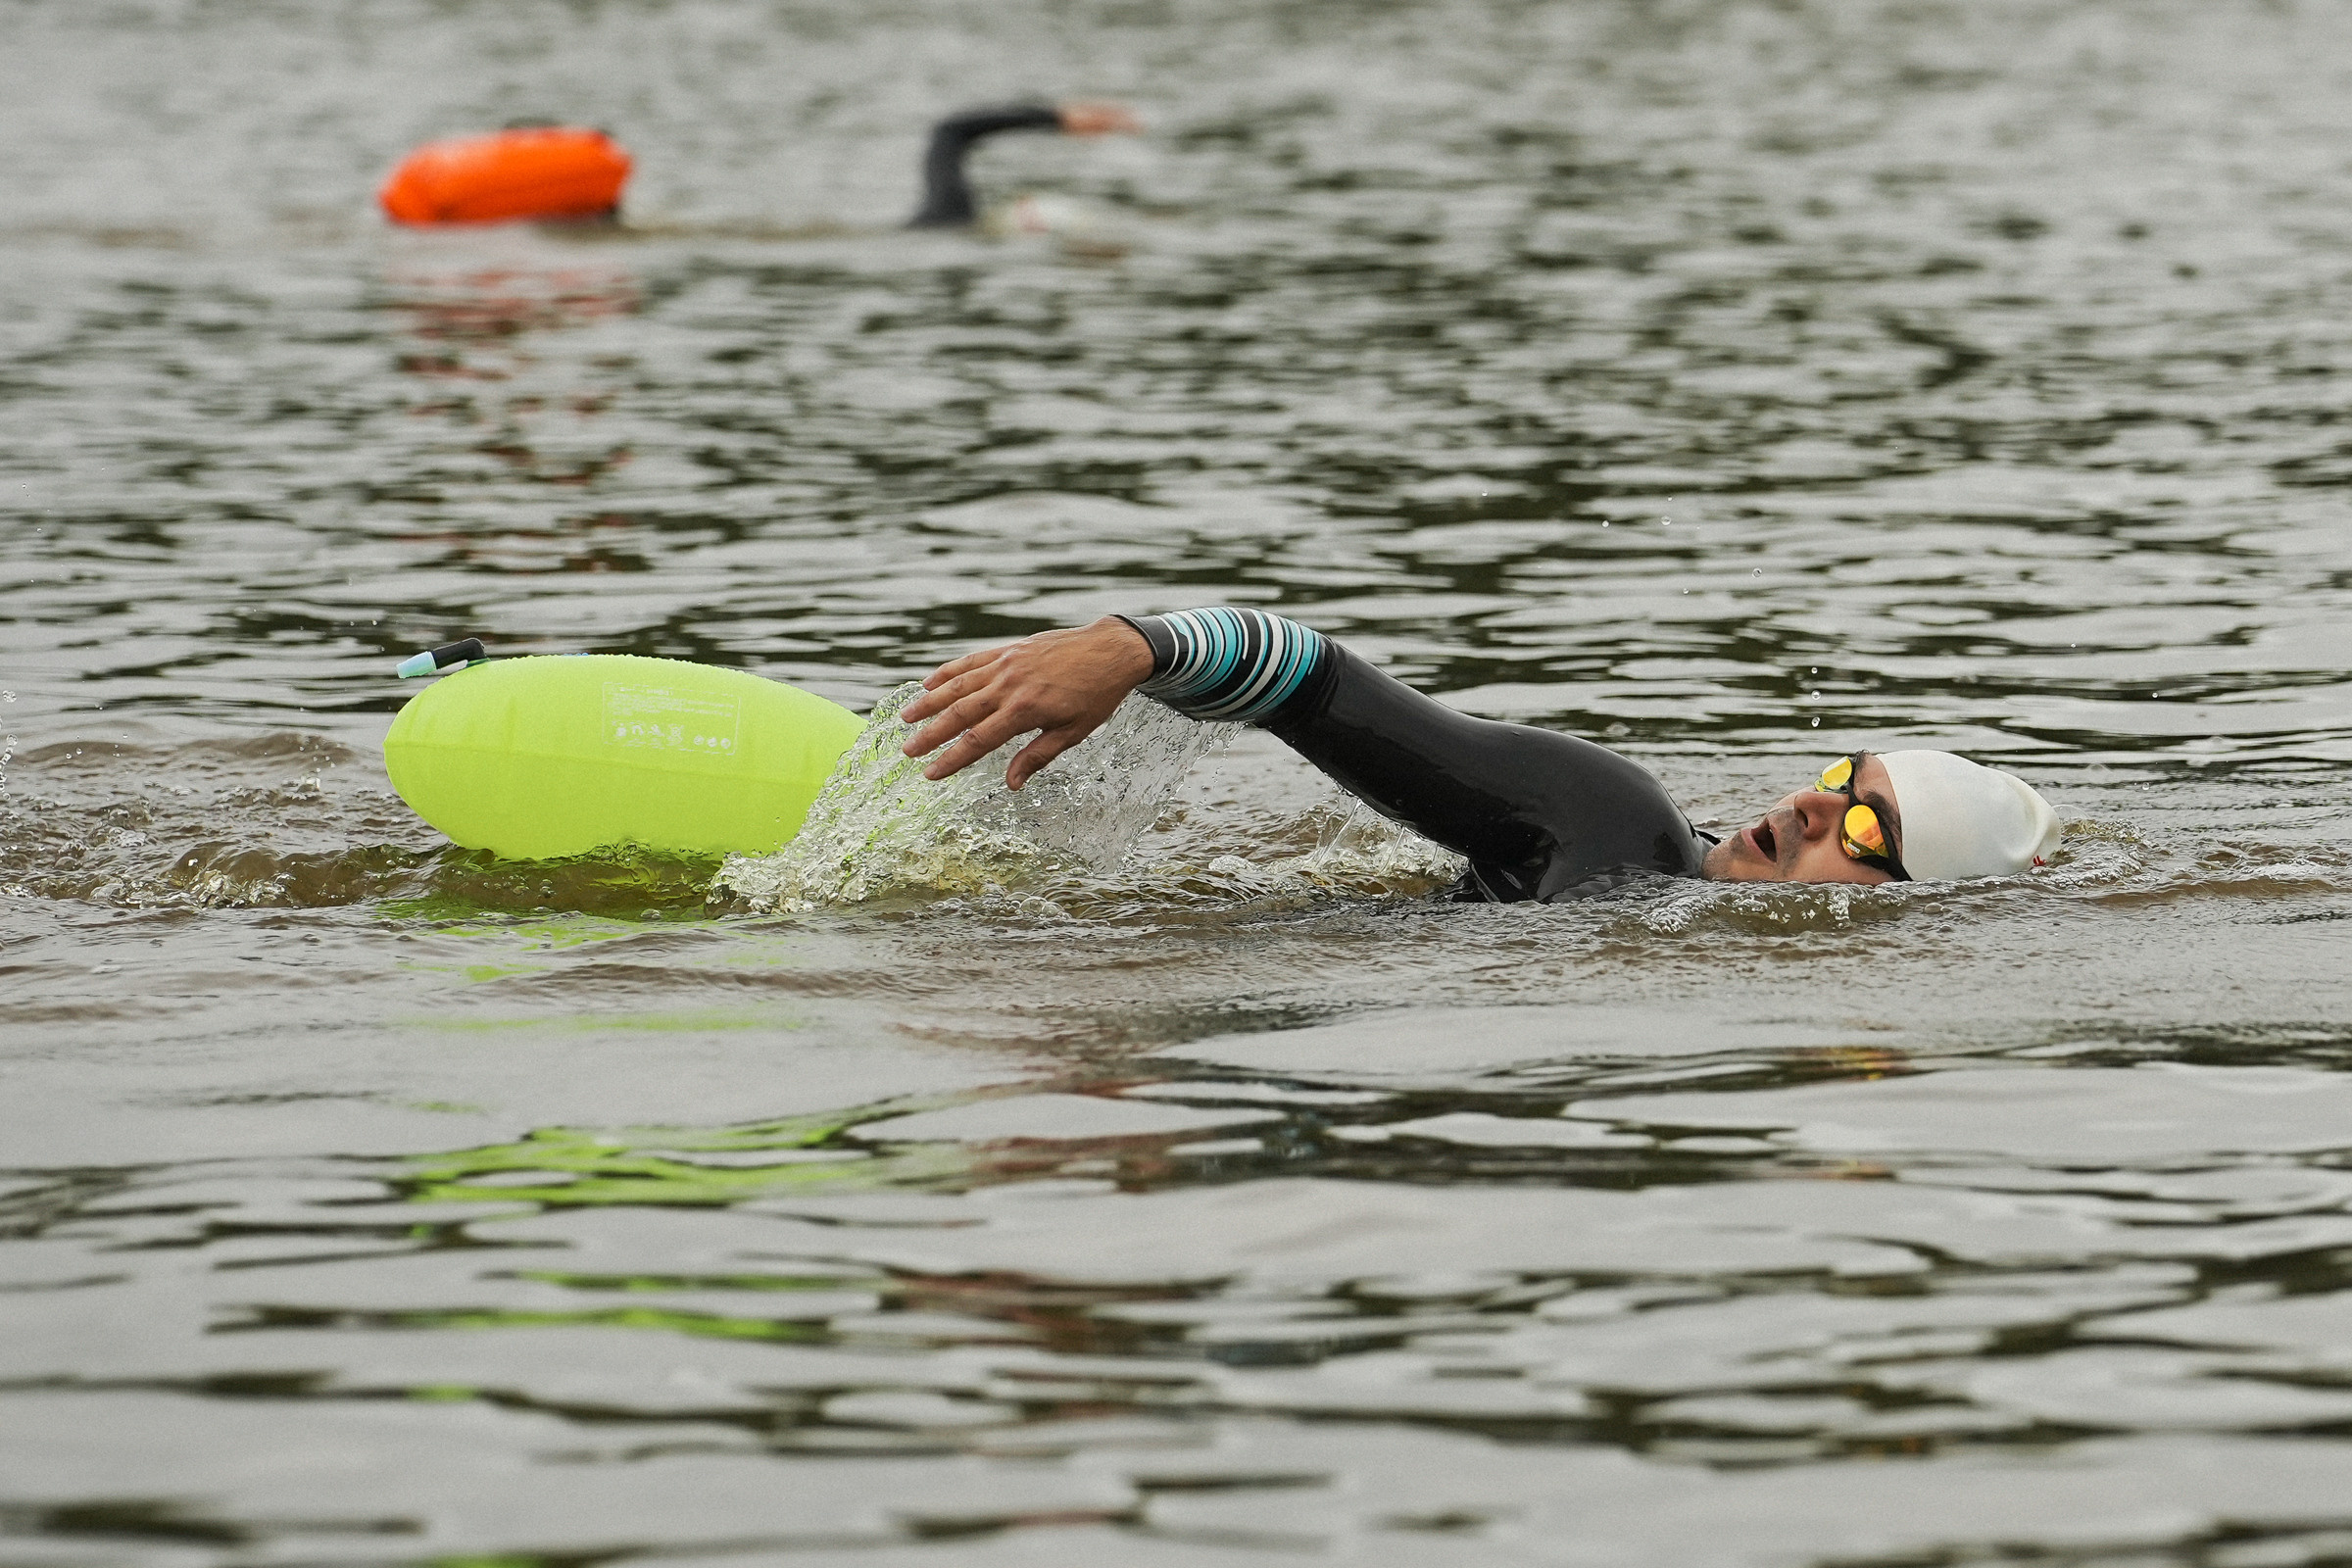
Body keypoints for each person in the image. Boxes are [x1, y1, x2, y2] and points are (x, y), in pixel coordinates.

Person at [899, 608, 2062, 903]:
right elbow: (1325, 686)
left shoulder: (1647, 901)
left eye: (1869, 832)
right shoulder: (1619, 827)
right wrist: (1136, 647)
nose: (1814, 810)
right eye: (1840, 781)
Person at [906, 102, 1140, 229]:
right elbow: (950, 130)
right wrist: (1057, 119)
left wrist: (1057, 119)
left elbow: (951, 131)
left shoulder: (945, 216)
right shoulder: (948, 216)